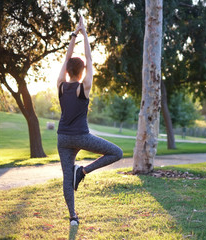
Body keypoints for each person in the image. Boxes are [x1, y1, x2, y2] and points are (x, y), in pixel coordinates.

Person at [57, 16, 123, 226]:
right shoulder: (82, 88)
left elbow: (67, 59)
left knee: (68, 180)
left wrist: (74, 36)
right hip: (81, 137)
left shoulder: (60, 85)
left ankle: (73, 217)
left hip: (63, 138)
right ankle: (83, 171)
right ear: (82, 71)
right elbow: (90, 59)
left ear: (67, 70)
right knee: (116, 153)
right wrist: (85, 33)